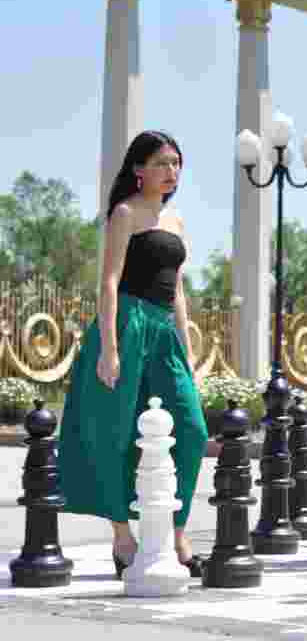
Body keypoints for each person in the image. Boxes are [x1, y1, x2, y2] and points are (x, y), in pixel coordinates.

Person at [58, 130, 207, 578]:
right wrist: (109, 347)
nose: (171, 171)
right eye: (162, 163)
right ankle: (123, 536)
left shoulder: (176, 220)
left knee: (193, 429)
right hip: (128, 324)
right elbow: (108, 282)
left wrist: (188, 352)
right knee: (117, 431)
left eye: (177, 163)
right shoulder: (125, 213)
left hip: (164, 330)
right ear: (139, 169)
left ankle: (177, 530)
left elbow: (177, 290)